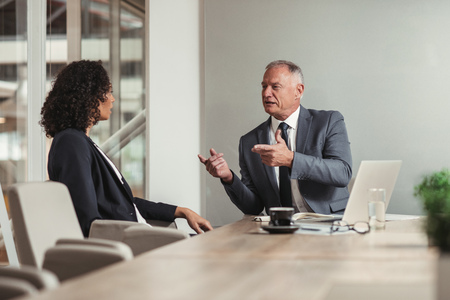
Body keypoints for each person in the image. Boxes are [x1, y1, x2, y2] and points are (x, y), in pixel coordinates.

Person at [40, 60, 212, 237]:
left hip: (138, 238)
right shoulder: (72, 142)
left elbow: (122, 203)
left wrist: (181, 211)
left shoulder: (80, 141)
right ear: (89, 95)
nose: (112, 99)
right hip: (130, 244)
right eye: (108, 92)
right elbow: (88, 220)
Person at [198, 60, 352, 216]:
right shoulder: (249, 142)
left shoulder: (328, 121)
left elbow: (342, 173)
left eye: (275, 87)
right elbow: (253, 207)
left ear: (298, 91)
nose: (266, 93)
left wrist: (291, 159)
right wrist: (229, 178)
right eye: (264, 86)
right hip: (281, 229)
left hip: (330, 223)